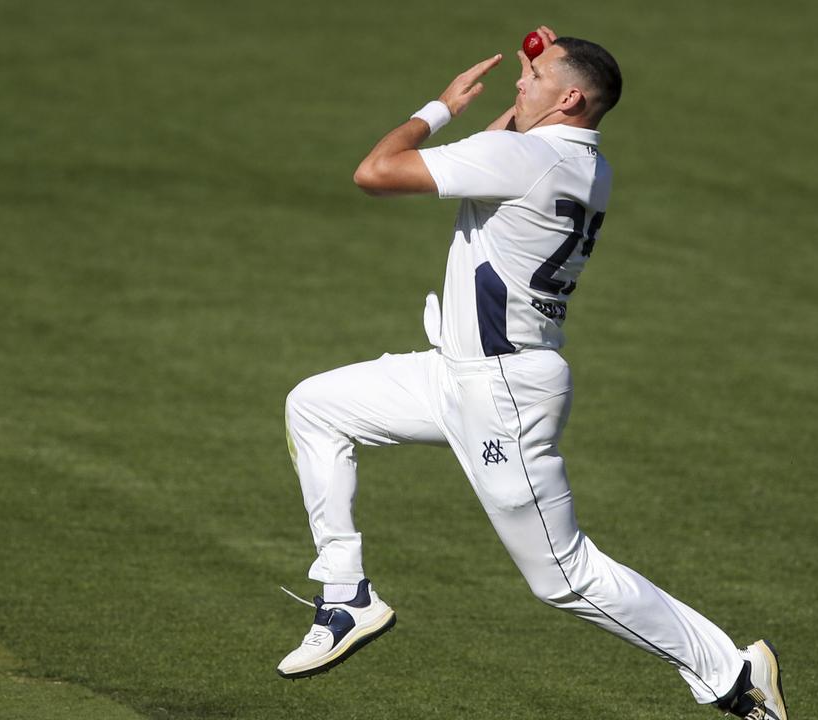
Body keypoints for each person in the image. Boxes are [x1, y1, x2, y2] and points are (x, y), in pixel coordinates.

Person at [277, 27, 789, 719]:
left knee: (565, 577)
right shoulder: (580, 164)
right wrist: (533, 77)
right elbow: (506, 147)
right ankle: (345, 599)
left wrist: (440, 106)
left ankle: (733, 675)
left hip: (501, 397)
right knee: (316, 405)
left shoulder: (522, 158)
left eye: (536, 75)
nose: (520, 83)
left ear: (571, 96)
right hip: (458, 375)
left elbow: (376, 172)